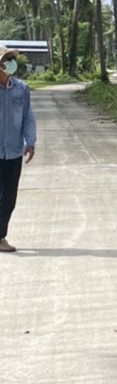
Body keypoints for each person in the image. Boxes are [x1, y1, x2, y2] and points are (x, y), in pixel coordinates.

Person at [0, 45, 36, 252]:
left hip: (13, 151)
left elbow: (27, 117)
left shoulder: (21, 88)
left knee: (9, 198)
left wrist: (30, 141)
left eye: (11, 59)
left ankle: (0, 236)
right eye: (6, 59)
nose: (10, 63)